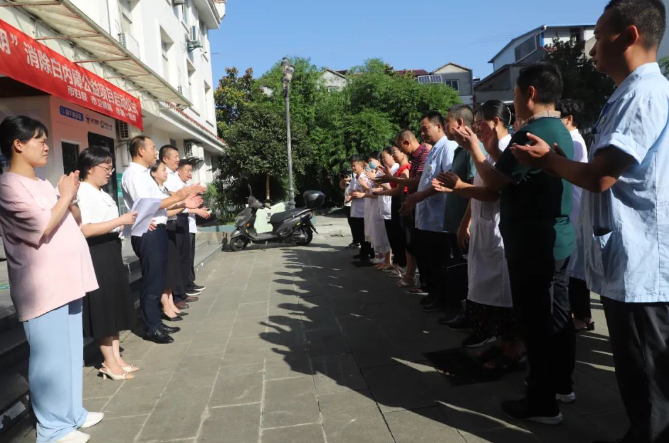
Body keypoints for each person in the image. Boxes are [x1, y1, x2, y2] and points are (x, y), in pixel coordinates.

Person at [511, 1, 669, 440]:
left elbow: (601, 176)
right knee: (637, 378)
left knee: (648, 383)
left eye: (599, 35)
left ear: (630, 36)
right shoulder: (628, 94)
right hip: (629, 258)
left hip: (641, 263)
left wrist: (547, 161)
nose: (592, 46)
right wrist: (559, 162)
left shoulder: (643, 94)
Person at [456, 62, 576, 424]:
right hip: (558, 238)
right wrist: (491, 152)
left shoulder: (530, 133)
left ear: (530, 93)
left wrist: (475, 148)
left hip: (532, 242)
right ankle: (562, 385)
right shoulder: (559, 128)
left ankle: (542, 403)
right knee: (558, 318)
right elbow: (515, 174)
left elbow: (494, 182)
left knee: (536, 324)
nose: (514, 101)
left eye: (515, 93)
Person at [0, 116, 103, 443]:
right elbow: (42, 226)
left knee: (71, 353)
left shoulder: (43, 182)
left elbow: (71, 219)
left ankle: (72, 414)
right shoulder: (8, 186)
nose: (46, 146)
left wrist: (70, 198)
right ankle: (52, 428)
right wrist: (64, 196)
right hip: (42, 287)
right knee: (49, 362)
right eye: (40, 140)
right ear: (18, 144)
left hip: (68, 280)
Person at [434, 101, 524, 372]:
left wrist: (458, 187)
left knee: (505, 295)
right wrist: (465, 222)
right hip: (484, 230)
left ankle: (515, 350)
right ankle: (502, 341)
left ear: (495, 122)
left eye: (479, 124)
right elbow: (476, 189)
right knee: (490, 294)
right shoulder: (485, 148)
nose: (475, 129)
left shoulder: (507, 149)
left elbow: (493, 192)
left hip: (500, 232)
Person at [121, 135, 204, 344]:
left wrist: (182, 201)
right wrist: (179, 197)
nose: (155, 152)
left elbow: (158, 205)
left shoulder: (144, 175)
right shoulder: (134, 175)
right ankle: (151, 327)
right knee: (152, 281)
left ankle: (156, 321)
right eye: (152, 147)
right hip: (147, 232)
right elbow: (147, 204)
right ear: (141, 150)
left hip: (157, 228)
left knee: (159, 279)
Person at [76, 147, 139, 381]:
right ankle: (109, 362)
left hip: (111, 249)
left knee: (113, 303)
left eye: (111, 168)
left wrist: (125, 223)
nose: (109, 172)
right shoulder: (82, 192)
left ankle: (116, 357)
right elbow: (85, 229)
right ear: (89, 168)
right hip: (96, 253)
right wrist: (119, 220)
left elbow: (110, 223)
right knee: (103, 305)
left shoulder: (102, 193)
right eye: (105, 167)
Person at [400, 111, 457, 313]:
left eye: (426, 129)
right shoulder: (433, 150)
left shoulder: (448, 147)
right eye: (421, 130)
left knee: (441, 261)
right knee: (430, 260)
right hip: (427, 216)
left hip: (439, 217)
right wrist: (414, 200)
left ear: (439, 126)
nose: (423, 134)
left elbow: (447, 180)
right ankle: (435, 294)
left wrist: (421, 196)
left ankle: (445, 300)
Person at [436, 105, 478, 321]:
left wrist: (465, 224)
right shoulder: (459, 150)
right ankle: (461, 310)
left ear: (460, 123)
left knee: (467, 271)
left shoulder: (472, 151)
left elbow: (474, 190)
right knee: (459, 268)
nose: (444, 126)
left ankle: (468, 313)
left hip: (466, 225)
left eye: (447, 122)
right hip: (455, 223)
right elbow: (461, 187)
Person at [557, 99, 593, 332]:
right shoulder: (572, 140)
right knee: (572, 269)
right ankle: (578, 312)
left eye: (558, 117)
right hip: (572, 210)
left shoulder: (575, 142)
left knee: (576, 270)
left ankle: (583, 316)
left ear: (569, 119)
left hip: (576, 211)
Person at [382, 132, 432, 289]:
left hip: (422, 204)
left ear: (406, 142)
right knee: (413, 244)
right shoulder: (416, 157)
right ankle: (422, 280)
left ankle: (423, 281)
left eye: (398, 149)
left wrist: (391, 179)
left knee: (417, 245)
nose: (400, 152)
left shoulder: (425, 153)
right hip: (413, 203)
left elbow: (419, 181)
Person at [161, 146, 203, 299]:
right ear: (165, 159)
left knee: (184, 256)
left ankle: (184, 288)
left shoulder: (172, 176)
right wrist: (188, 195)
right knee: (179, 258)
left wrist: (190, 194)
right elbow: (172, 198)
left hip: (181, 216)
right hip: (173, 218)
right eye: (175, 157)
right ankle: (181, 290)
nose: (177, 160)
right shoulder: (166, 177)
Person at [374, 146, 410, 274]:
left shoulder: (405, 169)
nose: (393, 156)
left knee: (401, 235)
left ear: (403, 153)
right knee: (395, 235)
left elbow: (399, 189)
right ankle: (398, 263)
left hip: (400, 201)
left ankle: (403, 266)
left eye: (395, 153)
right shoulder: (398, 169)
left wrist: (384, 189)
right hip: (394, 201)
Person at [177, 159, 209, 292]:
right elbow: (179, 207)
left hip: (189, 224)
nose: (190, 174)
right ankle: (186, 285)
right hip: (182, 225)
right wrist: (197, 211)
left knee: (189, 257)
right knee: (185, 258)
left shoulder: (185, 186)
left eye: (191, 171)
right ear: (179, 171)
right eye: (187, 171)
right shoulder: (177, 187)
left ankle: (190, 282)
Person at [348, 155, 372, 260]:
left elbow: (371, 190)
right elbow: (350, 190)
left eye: (354, 166)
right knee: (358, 232)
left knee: (365, 233)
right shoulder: (354, 178)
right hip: (355, 208)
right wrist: (352, 194)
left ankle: (369, 253)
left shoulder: (365, 176)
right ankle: (363, 252)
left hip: (364, 208)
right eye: (351, 166)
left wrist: (362, 189)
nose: (353, 168)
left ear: (361, 165)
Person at [339, 171, 358, 249]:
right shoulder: (348, 175)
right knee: (351, 223)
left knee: (357, 224)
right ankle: (355, 240)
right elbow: (342, 187)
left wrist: (351, 179)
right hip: (347, 204)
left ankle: (359, 241)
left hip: (355, 203)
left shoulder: (357, 176)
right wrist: (343, 180)